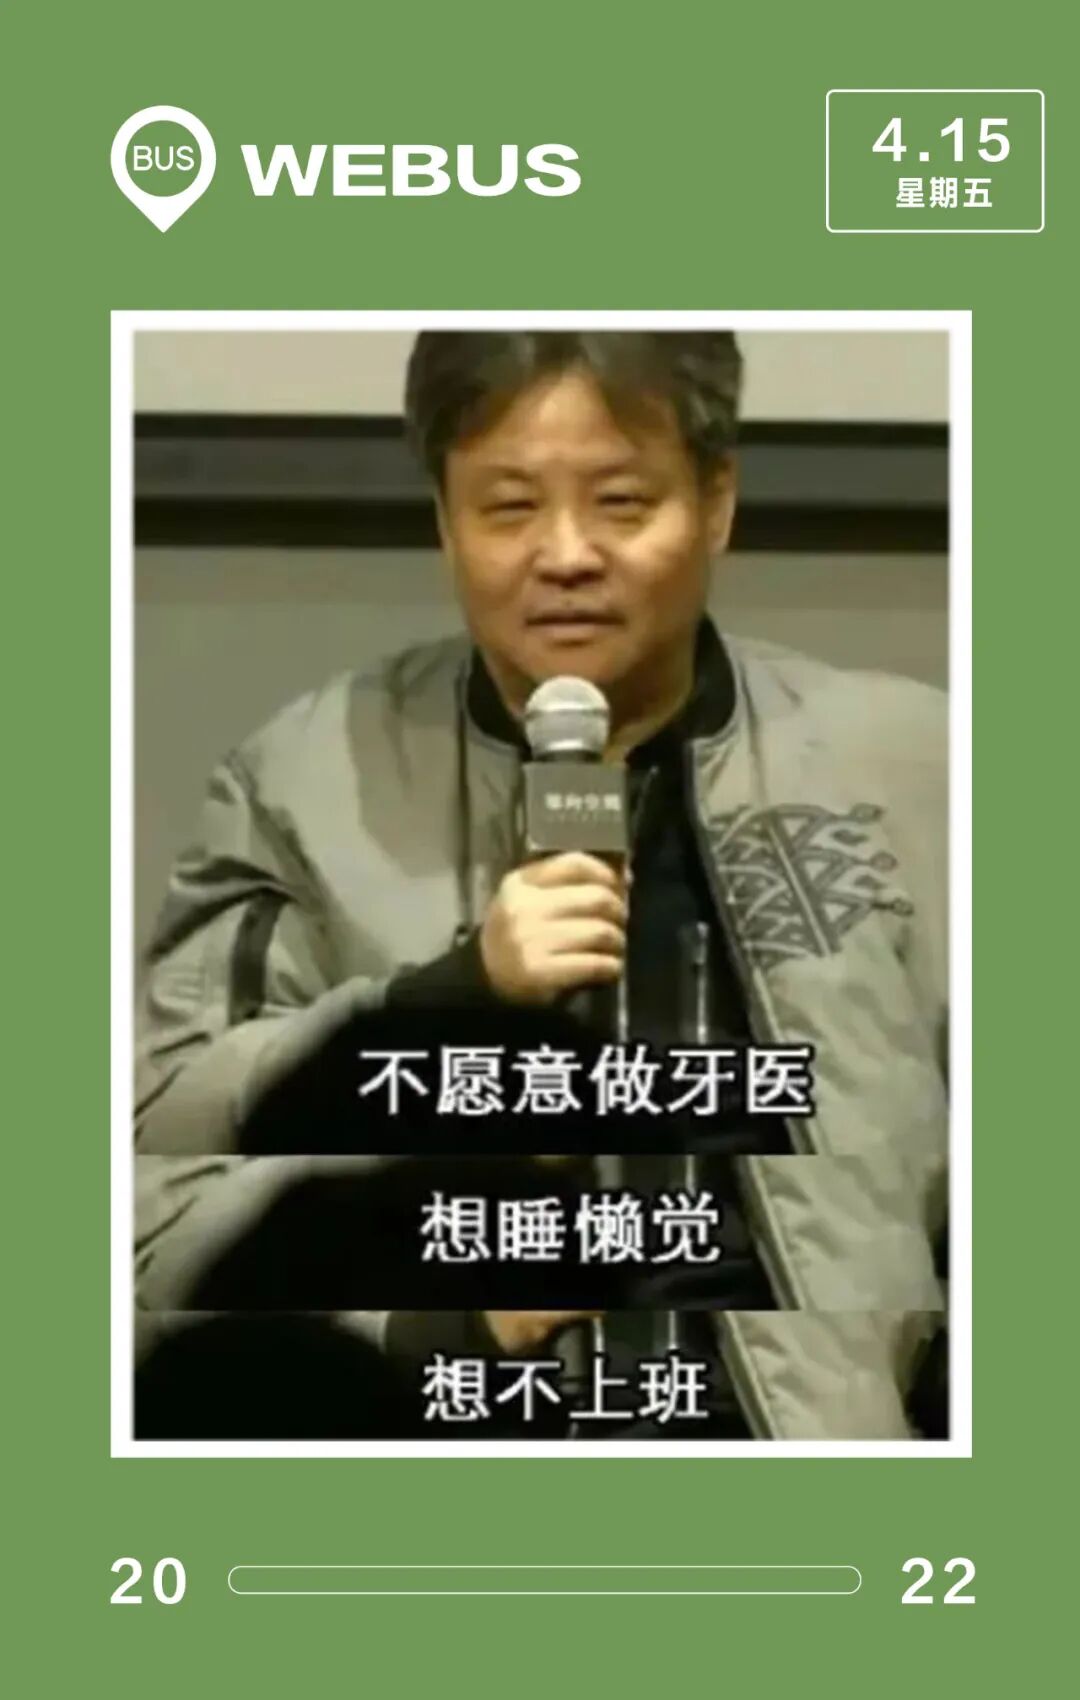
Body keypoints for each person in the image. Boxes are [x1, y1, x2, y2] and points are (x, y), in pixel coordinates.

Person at [134, 330, 948, 1439]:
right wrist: (442, 1004)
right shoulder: (303, 786)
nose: (566, 555)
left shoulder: (914, 771)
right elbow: (161, 1197)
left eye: (621, 503)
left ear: (715, 502)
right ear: (444, 518)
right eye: (510, 508)